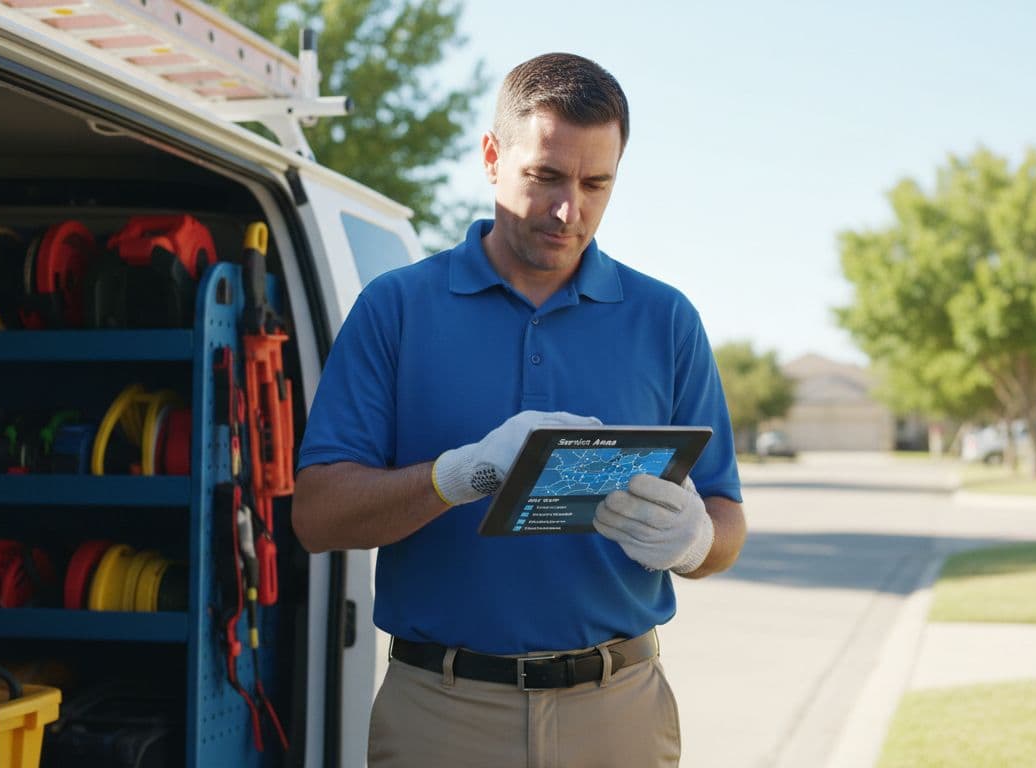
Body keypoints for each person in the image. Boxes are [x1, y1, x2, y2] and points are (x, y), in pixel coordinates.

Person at [292, 52, 745, 767]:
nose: (571, 211)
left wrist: (694, 542)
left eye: (598, 184)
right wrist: (461, 474)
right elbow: (316, 517)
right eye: (546, 177)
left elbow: (727, 520)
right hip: (440, 713)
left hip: (616, 712)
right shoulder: (396, 309)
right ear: (492, 156)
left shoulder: (666, 321)